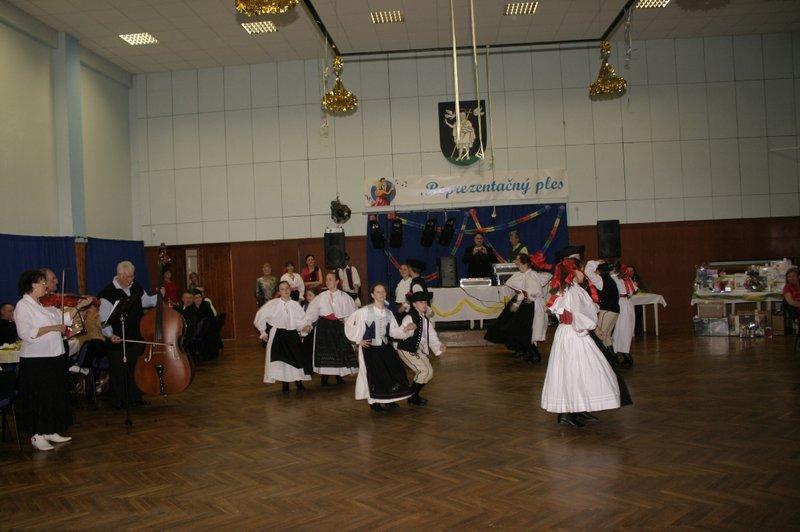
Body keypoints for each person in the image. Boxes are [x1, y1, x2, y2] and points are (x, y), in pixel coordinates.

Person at [14, 270, 92, 450]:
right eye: (43, 283)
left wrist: (79, 306)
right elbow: (25, 333)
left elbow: (63, 318)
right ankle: (37, 434)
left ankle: (50, 429)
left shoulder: (42, 305)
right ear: (33, 285)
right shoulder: (23, 306)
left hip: (53, 356)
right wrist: (53, 328)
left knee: (52, 395)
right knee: (39, 397)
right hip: (36, 360)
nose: (46, 286)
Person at [541, 258, 621, 428]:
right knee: (574, 371)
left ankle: (579, 408)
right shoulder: (571, 291)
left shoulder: (573, 289)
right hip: (574, 334)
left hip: (571, 333)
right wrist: (591, 328)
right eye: (581, 270)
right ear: (573, 272)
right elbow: (579, 315)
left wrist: (593, 327)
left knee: (580, 371)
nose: (583, 273)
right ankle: (567, 413)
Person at [98, 261, 163, 409]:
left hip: (136, 336)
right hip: (117, 338)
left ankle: (135, 397)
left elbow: (146, 301)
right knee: (119, 370)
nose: (132, 279)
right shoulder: (107, 293)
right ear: (120, 276)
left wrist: (159, 296)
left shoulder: (135, 286)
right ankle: (119, 400)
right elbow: (104, 319)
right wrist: (110, 335)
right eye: (128, 277)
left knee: (135, 368)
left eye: (132, 276)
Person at [344, 283, 415, 412]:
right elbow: (349, 323)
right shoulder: (364, 311)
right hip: (370, 348)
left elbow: (394, 332)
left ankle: (389, 399)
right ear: (372, 295)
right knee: (374, 374)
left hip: (385, 346)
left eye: (383, 292)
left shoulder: (388, 313)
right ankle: (374, 401)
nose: (381, 294)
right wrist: (358, 340)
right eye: (378, 292)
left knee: (391, 371)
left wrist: (406, 329)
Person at [254, 281, 313, 393]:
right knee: (282, 361)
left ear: (290, 289)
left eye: (287, 288)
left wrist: (304, 327)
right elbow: (260, 316)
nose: (285, 291)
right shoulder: (273, 304)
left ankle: (298, 382)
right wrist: (263, 332)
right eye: (282, 289)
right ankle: (285, 384)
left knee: (296, 358)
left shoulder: (295, 305)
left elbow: (301, 320)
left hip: (292, 335)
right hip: (278, 335)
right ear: (279, 291)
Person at [485, 254, 542, 362]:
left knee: (523, 330)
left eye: (519, 263)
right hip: (525, 304)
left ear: (525, 264)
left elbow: (533, 291)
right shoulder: (525, 274)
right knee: (520, 329)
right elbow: (523, 291)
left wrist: (522, 301)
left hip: (528, 305)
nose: (517, 264)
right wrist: (517, 303)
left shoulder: (531, 275)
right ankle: (527, 352)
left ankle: (534, 354)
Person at [305, 271, 358, 386]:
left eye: (330, 279)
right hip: (324, 326)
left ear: (337, 281)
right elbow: (312, 311)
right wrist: (308, 323)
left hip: (338, 326)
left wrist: (346, 320)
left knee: (339, 350)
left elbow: (353, 313)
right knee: (326, 351)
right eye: (326, 279)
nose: (327, 282)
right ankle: (324, 377)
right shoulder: (321, 296)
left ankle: (339, 375)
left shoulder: (345, 297)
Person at [395, 286, 445, 406]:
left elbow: (431, 335)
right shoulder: (409, 317)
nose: (424, 304)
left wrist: (438, 346)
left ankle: (414, 396)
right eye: (421, 302)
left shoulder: (424, 318)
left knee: (429, 372)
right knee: (423, 371)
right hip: (406, 349)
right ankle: (411, 396)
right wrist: (406, 329)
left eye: (426, 302)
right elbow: (400, 332)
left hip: (415, 349)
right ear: (414, 304)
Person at [585, 259, 619, 351]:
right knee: (607, 336)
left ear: (598, 270)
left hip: (607, 310)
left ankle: (603, 358)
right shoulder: (610, 279)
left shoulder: (601, 279)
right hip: (614, 311)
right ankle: (612, 358)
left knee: (599, 336)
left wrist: (596, 262)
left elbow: (587, 271)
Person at [612, 263, 637, 367]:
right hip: (621, 303)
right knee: (621, 328)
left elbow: (632, 291)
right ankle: (619, 351)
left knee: (628, 327)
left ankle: (624, 350)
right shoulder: (613, 278)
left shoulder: (626, 279)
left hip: (627, 302)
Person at [530, 252, 553, 345]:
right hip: (540, 303)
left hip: (533, 302)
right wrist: (548, 304)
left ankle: (532, 343)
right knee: (538, 324)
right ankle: (533, 343)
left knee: (534, 323)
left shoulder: (530, 276)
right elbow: (550, 292)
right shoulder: (548, 276)